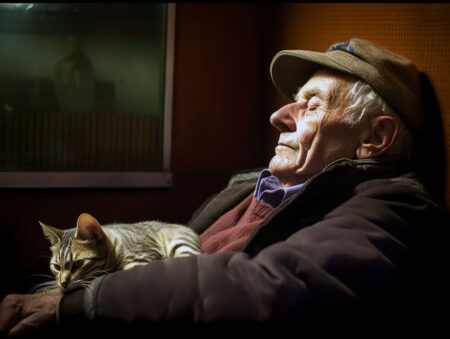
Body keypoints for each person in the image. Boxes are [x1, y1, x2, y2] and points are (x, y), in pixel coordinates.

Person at [0, 38, 448, 337]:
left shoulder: (393, 206)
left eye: (311, 105)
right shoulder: (251, 186)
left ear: (374, 138)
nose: (279, 116)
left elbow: (272, 286)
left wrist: (80, 304)